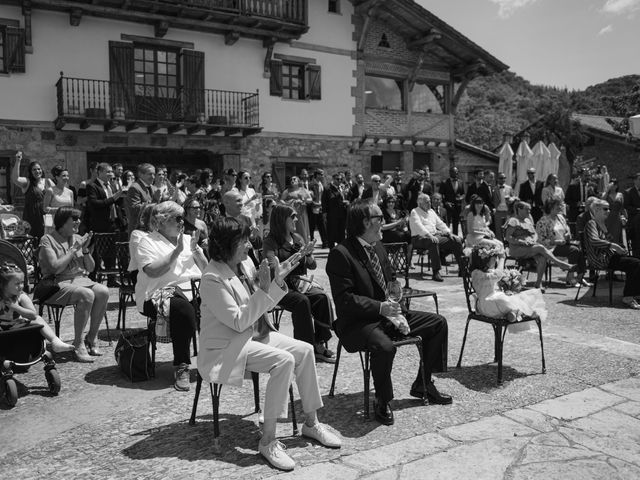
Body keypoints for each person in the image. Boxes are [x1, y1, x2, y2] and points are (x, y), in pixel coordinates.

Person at [198, 217, 342, 471]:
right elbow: (238, 321)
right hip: (226, 347)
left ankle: (311, 423)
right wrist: (265, 288)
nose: (247, 245)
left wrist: (278, 278)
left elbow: (260, 303)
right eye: (242, 241)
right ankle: (268, 440)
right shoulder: (211, 278)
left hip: (251, 334)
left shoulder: (241, 264)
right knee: (283, 361)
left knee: (305, 350)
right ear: (227, 244)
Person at [326, 200, 451, 427]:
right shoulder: (341, 254)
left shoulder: (378, 246)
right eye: (379, 219)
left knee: (438, 323)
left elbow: (390, 279)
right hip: (358, 323)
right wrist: (381, 308)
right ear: (365, 222)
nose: (383, 223)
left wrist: (396, 295)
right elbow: (345, 301)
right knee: (385, 347)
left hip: (388, 315)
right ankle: (382, 400)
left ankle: (424, 383)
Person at [135, 201, 208, 390]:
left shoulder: (186, 238)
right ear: (161, 220)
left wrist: (196, 251)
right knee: (183, 309)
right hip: (159, 292)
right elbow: (152, 271)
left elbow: (206, 270)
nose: (182, 222)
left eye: (183, 218)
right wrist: (176, 252)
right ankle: (182, 365)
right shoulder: (147, 241)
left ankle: (217, 358)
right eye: (177, 218)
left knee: (219, 301)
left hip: (193, 289)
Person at [263, 204, 334, 362]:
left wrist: (308, 255)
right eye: (292, 216)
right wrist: (297, 255)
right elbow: (273, 268)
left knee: (321, 297)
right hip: (280, 286)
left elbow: (312, 265)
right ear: (282, 219)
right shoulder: (270, 241)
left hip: (300, 283)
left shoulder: (297, 238)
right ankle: (304, 348)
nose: (296, 219)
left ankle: (319, 343)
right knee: (302, 301)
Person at [38, 207, 108, 362]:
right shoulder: (47, 240)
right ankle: (78, 343)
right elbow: (55, 268)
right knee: (86, 294)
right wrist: (73, 250)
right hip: (56, 283)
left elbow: (90, 268)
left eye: (79, 218)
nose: (79, 222)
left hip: (80, 280)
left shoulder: (77, 237)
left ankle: (92, 337)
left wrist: (85, 250)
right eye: (74, 219)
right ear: (63, 222)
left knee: (103, 291)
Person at [0, 261, 74, 352]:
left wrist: (17, 308)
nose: (21, 286)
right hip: (1, 327)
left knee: (38, 319)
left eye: (22, 283)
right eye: (17, 284)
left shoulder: (21, 296)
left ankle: (55, 341)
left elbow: (33, 315)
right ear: (3, 285)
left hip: (17, 325)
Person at [469, 245, 547, 329]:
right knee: (505, 300)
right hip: (486, 305)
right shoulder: (476, 273)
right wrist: (502, 259)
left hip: (492, 304)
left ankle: (514, 313)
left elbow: (496, 284)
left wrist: (508, 288)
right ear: (485, 260)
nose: (496, 261)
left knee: (514, 298)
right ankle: (519, 312)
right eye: (494, 259)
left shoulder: (488, 271)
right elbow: (497, 275)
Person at [504, 200, 575, 290]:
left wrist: (532, 240)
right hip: (517, 248)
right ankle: (560, 264)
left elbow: (535, 234)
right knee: (541, 247)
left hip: (530, 247)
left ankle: (538, 283)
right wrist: (522, 242)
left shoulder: (527, 221)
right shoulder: (513, 220)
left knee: (542, 257)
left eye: (530, 210)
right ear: (519, 209)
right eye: (527, 209)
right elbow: (508, 237)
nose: (529, 212)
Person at [584, 199, 640, 308]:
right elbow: (594, 241)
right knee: (636, 264)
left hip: (609, 257)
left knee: (634, 262)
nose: (608, 211)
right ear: (596, 210)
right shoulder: (592, 223)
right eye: (605, 209)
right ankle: (628, 297)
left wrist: (620, 248)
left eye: (609, 209)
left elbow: (610, 243)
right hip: (600, 259)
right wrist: (614, 246)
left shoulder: (603, 224)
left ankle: (634, 293)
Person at [409, 194, 464, 282]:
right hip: (419, 238)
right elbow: (419, 226)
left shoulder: (431, 211)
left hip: (434, 235)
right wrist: (429, 235)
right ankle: (436, 272)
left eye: (429, 201)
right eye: (427, 202)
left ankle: (462, 269)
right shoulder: (414, 212)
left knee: (456, 240)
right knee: (433, 242)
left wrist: (449, 233)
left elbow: (440, 224)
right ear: (420, 203)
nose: (429, 203)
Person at [535, 199, 588, 287]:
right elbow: (541, 240)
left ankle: (580, 276)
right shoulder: (542, 221)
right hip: (551, 247)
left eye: (560, 205)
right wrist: (556, 241)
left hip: (564, 244)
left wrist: (568, 234)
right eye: (558, 206)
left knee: (580, 249)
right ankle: (570, 277)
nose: (560, 207)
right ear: (551, 207)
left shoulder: (560, 217)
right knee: (574, 250)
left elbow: (567, 229)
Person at [11, 151, 52, 238]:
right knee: (31, 239)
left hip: (46, 216)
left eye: (39, 169)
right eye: (34, 169)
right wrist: (18, 161)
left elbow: (57, 194)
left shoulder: (48, 182)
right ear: (30, 172)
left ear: (42, 170)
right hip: (31, 216)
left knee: (46, 239)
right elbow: (15, 179)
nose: (37, 171)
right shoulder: (27, 182)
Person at [465, 195, 506, 268]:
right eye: (477, 203)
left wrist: (490, 231)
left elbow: (484, 227)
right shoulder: (471, 215)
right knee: (495, 245)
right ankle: (491, 266)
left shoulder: (481, 215)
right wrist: (484, 233)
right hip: (474, 238)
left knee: (501, 244)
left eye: (481, 203)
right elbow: (470, 231)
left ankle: (500, 267)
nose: (479, 205)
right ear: (473, 204)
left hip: (483, 236)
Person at [125, 163, 156, 236]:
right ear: (141, 174)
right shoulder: (135, 188)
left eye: (154, 174)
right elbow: (135, 209)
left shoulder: (153, 188)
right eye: (150, 174)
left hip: (151, 230)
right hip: (139, 230)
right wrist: (154, 201)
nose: (153, 177)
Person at [281, 175, 312, 242]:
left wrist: (303, 200)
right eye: (291, 179)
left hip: (302, 213)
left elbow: (310, 199)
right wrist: (287, 203)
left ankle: (304, 243)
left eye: (294, 179)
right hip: (292, 213)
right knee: (293, 227)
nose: (292, 180)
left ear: (298, 181)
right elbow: (281, 200)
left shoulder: (303, 190)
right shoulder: (287, 191)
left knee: (303, 228)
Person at [322, 172, 349, 249]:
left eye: (341, 179)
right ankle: (332, 250)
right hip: (332, 215)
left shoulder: (342, 187)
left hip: (342, 214)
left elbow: (349, 195)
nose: (340, 181)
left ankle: (341, 250)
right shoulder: (328, 189)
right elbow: (325, 201)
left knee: (342, 233)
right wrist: (324, 214)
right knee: (332, 233)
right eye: (338, 179)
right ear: (333, 179)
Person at [439, 166, 466, 236]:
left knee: (456, 224)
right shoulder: (444, 182)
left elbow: (463, 194)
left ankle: (455, 239)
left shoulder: (460, 182)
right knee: (446, 224)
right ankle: (446, 238)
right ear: (450, 173)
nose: (456, 173)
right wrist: (446, 202)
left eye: (457, 172)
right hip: (448, 207)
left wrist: (461, 198)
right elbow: (440, 195)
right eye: (454, 172)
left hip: (457, 206)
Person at [603, 179, 627, 246]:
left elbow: (622, 208)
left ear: (616, 186)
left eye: (613, 185)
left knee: (617, 235)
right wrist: (607, 190)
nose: (612, 186)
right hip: (608, 217)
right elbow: (601, 201)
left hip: (617, 218)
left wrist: (625, 217)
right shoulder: (606, 195)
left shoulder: (620, 195)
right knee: (608, 235)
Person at [492, 172, 514, 242]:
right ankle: (500, 246)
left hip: (507, 212)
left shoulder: (509, 188)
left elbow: (513, 197)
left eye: (504, 178)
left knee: (508, 230)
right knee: (498, 231)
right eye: (501, 178)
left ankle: (507, 245)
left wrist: (511, 199)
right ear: (497, 179)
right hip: (498, 212)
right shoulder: (494, 189)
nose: (503, 180)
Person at [309, 169, 328, 247]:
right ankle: (311, 244)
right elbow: (309, 197)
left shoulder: (322, 184)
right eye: (321, 174)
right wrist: (314, 203)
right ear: (317, 175)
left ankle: (325, 243)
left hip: (321, 208)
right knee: (312, 227)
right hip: (313, 208)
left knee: (322, 226)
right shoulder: (311, 185)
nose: (323, 176)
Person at [623, 173, 640, 257]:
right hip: (634, 223)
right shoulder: (628, 192)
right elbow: (626, 206)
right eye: (639, 179)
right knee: (636, 243)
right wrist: (637, 210)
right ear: (635, 180)